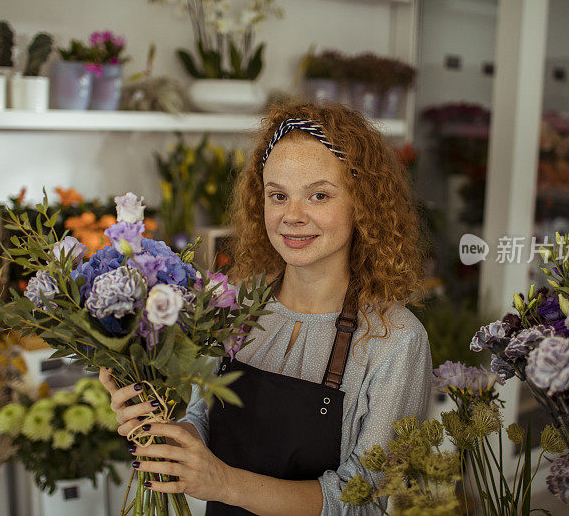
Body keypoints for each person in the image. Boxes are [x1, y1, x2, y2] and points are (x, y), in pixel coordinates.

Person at [100, 101, 432, 515]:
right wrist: (164, 436)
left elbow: (368, 504)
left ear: (361, 203)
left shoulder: (395, 340)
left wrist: (223, 483)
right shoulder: (235, 304)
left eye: (319, 195)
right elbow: (204, 422)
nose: (292, 216)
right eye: (278, 195)